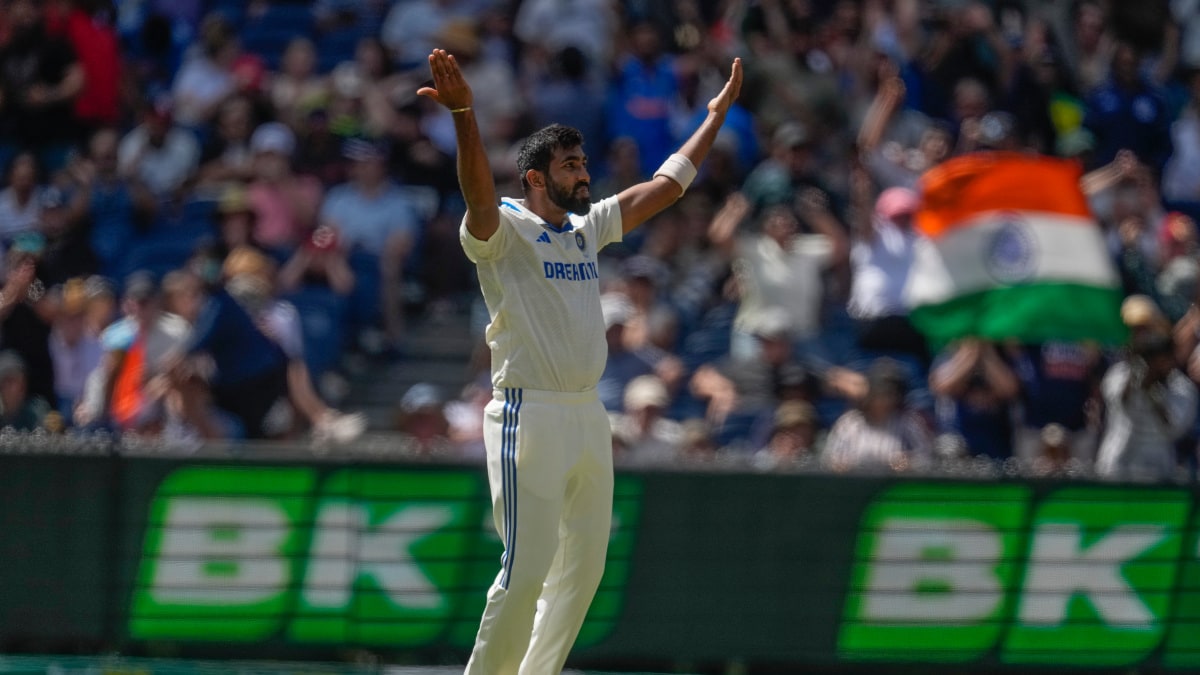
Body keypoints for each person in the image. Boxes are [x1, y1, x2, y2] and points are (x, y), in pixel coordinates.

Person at [417, 47, 742, 673]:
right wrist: (464, 115)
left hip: (589, 415)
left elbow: (666, 187)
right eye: (571, 165)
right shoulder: (505, 226)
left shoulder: (585, 227)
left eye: (584, 162)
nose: (584, 173)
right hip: (528, 412)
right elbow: (479, 197)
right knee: (525, 569)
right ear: (537, 178)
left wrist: (715, 116)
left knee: (585, 570)